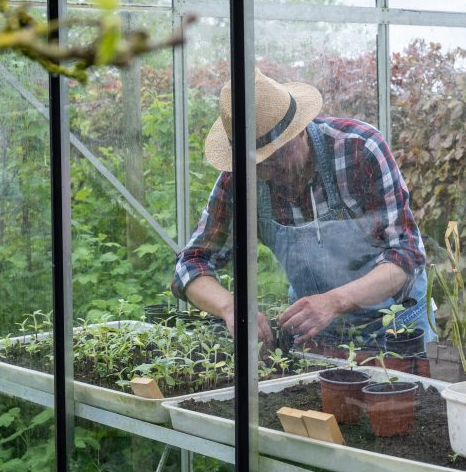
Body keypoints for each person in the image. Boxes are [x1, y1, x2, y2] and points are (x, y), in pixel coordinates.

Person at [172, 69, 430, 350]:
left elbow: (406, 255)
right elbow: (191, 263)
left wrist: (334, 301)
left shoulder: (358, 150)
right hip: (316, 335)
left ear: (299, 132)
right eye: (255, 162)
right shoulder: (242, 178)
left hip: (394, 328)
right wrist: (231, 308)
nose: (265, 171)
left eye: (274, 156)